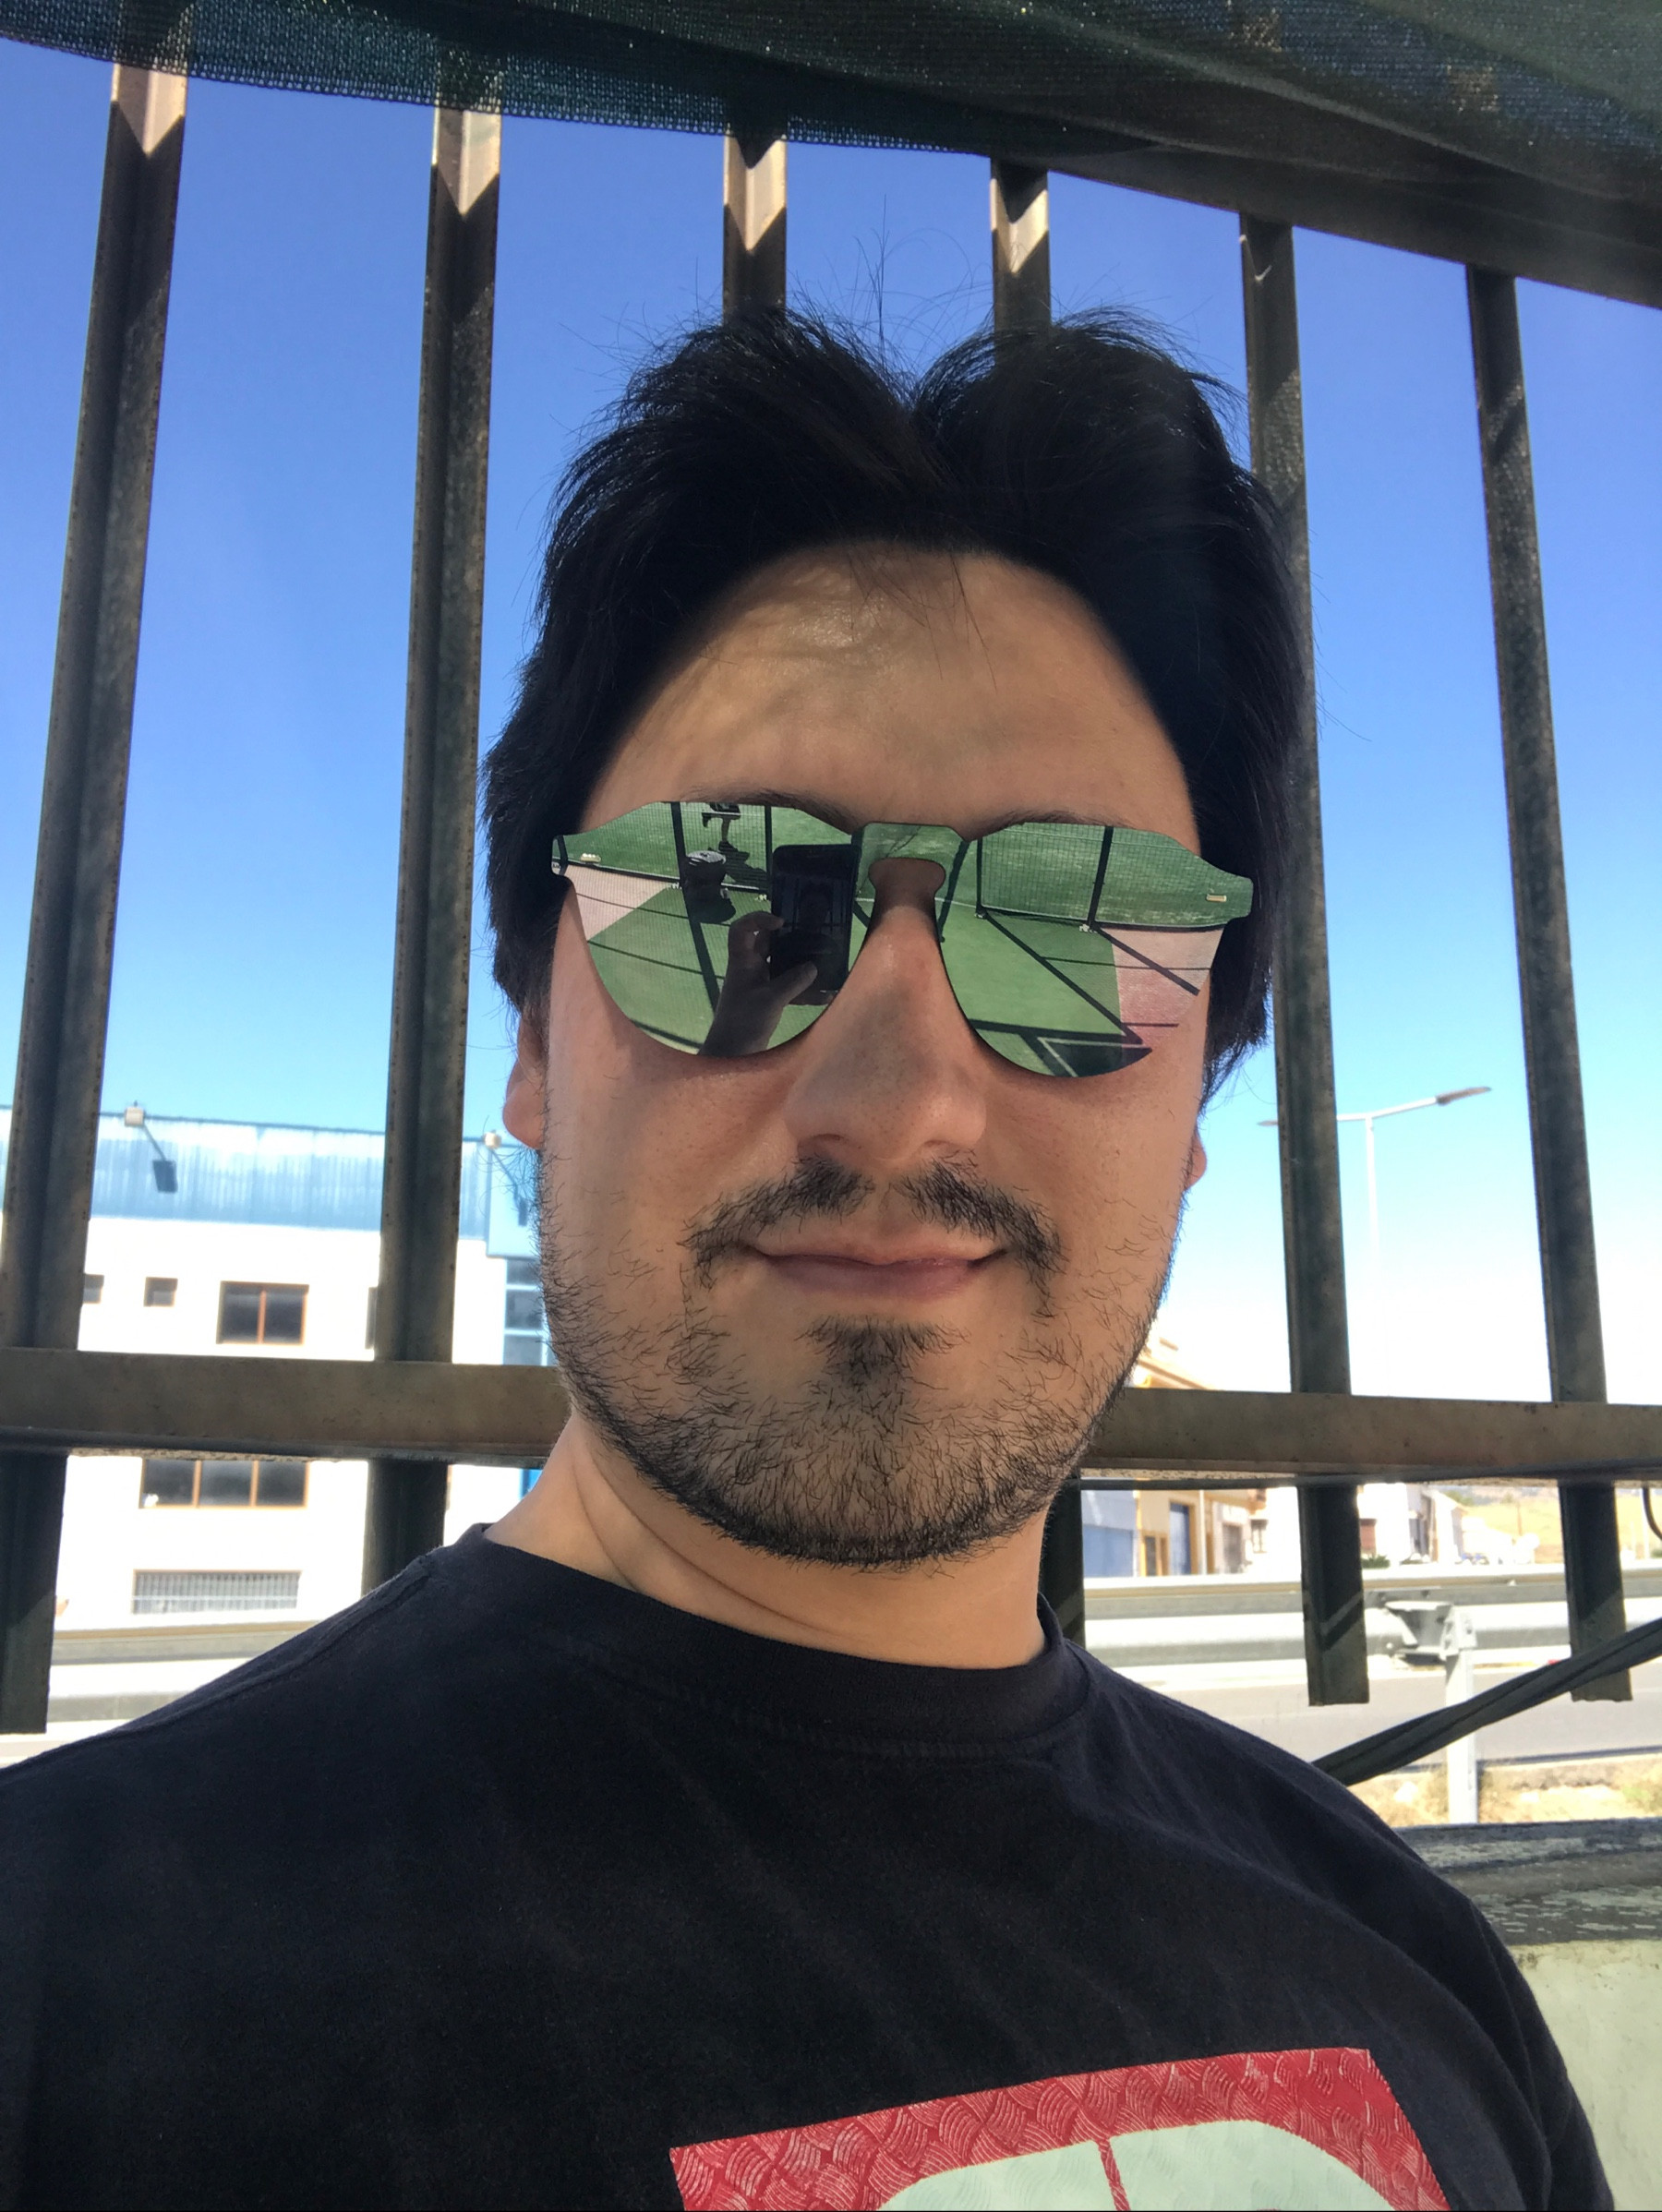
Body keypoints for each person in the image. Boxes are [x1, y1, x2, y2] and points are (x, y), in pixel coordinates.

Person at [0, 315, 1604, 2211]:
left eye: (1082, 936)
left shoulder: (1416, 1965)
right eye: (731, 909)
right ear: (532, 1043)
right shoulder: (64, 1995)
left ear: (1195, 1094)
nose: (902, 1101)